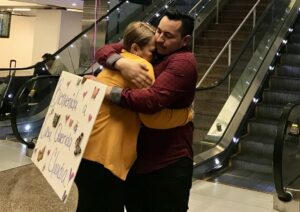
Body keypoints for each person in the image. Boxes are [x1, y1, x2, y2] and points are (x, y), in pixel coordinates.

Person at [75, 21, 193, 212]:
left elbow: (105, 51)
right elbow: (150, 117)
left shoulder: (113, 63)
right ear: (136, 48)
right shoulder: (142, 67)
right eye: (152, 50)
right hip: (109, 156)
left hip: (85, 150)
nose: (155, 54)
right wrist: (185, 115)